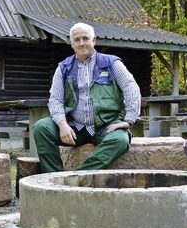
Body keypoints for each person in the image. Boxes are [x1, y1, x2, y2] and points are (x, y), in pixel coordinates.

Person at [33, 22, 141, 173]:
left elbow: (131, 88)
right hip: (75, 127)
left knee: (120, 140)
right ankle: (53, 177)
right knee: (41, 128)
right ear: (72, 44)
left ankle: (76, 177)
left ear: (94, 40)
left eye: (85, 38)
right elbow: (55, 100)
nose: (82, 43)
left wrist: (129, 120)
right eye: (77, 40)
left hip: (106, 126)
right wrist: (62, 124)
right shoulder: (63, 68)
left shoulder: (112, 64)